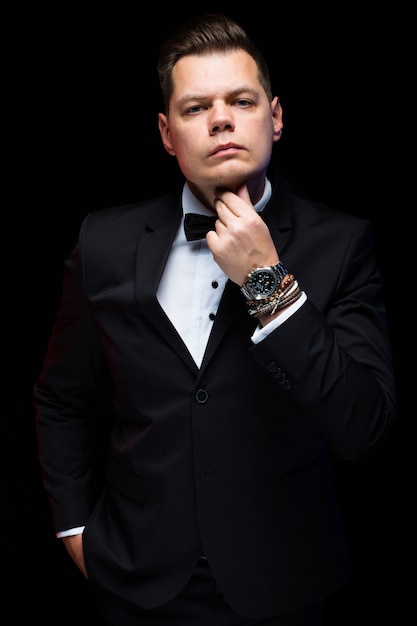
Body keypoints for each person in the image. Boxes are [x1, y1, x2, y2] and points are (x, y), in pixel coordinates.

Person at [33, 12, 396, 626]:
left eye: (241, 100)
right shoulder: (104, 242)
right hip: (135, 580)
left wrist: (267, 282)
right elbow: (61, 399)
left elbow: (362, 425)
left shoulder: (342, 245)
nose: (222, 118)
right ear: (167, 133)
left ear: (275, 118)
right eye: (196, 107)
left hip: (285, 583)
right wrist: (74, 528)